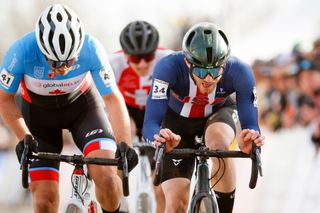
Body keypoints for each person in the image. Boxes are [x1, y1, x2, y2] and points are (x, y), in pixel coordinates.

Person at [0, 4, 138, 213]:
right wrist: (23, 136)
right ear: (41, 49)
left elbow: (112, 98)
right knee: (44, 199)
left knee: (107, 178)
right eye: (54, 62)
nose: (63, 67)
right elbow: (4, 99)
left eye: (70, 60)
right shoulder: (20, 52)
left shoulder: (91, 48)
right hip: (39, 118)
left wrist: (125, 142)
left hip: (83, 110)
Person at [143, 22, 266, 213]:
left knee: (218, 144)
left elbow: (251, 124)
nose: (208, 78)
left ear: (224, 65)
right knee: (176, 204)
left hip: (217, 114)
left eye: (215, 71)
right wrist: (158, 139)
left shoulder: (240, 71)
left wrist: (251, 138)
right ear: (187, 63)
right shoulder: (167, 67)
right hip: (177, 123)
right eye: (201, 71)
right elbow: (150, 122)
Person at [109, 20, 173, 213]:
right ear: (125, 55)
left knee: (160, 184)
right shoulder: (113, 63)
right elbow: (106, 103)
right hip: (127, 110)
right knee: (123, 139)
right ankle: (119, 200)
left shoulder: (167, 59)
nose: (143, 63)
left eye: (148, 56)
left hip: (156, 111)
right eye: (136, 59)